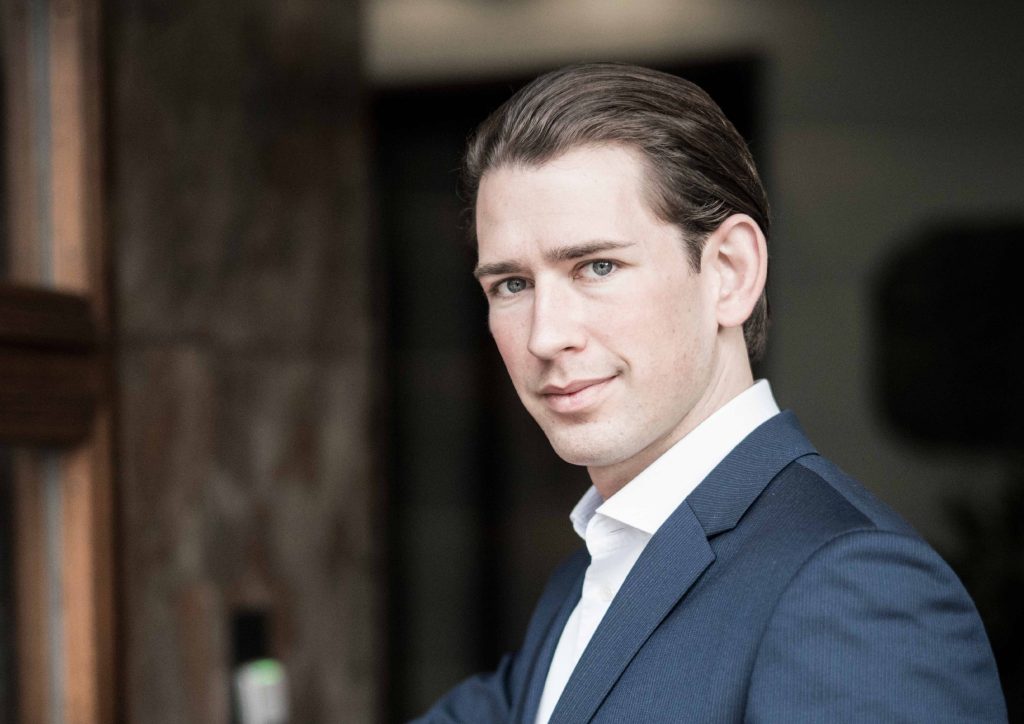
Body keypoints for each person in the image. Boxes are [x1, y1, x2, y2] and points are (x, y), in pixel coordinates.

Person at [414, 63, 1006, 723]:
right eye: (511, 285)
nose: (545, 336)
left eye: (597, 266)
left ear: (730, 272)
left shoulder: (855, 586)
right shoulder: (594, 568)